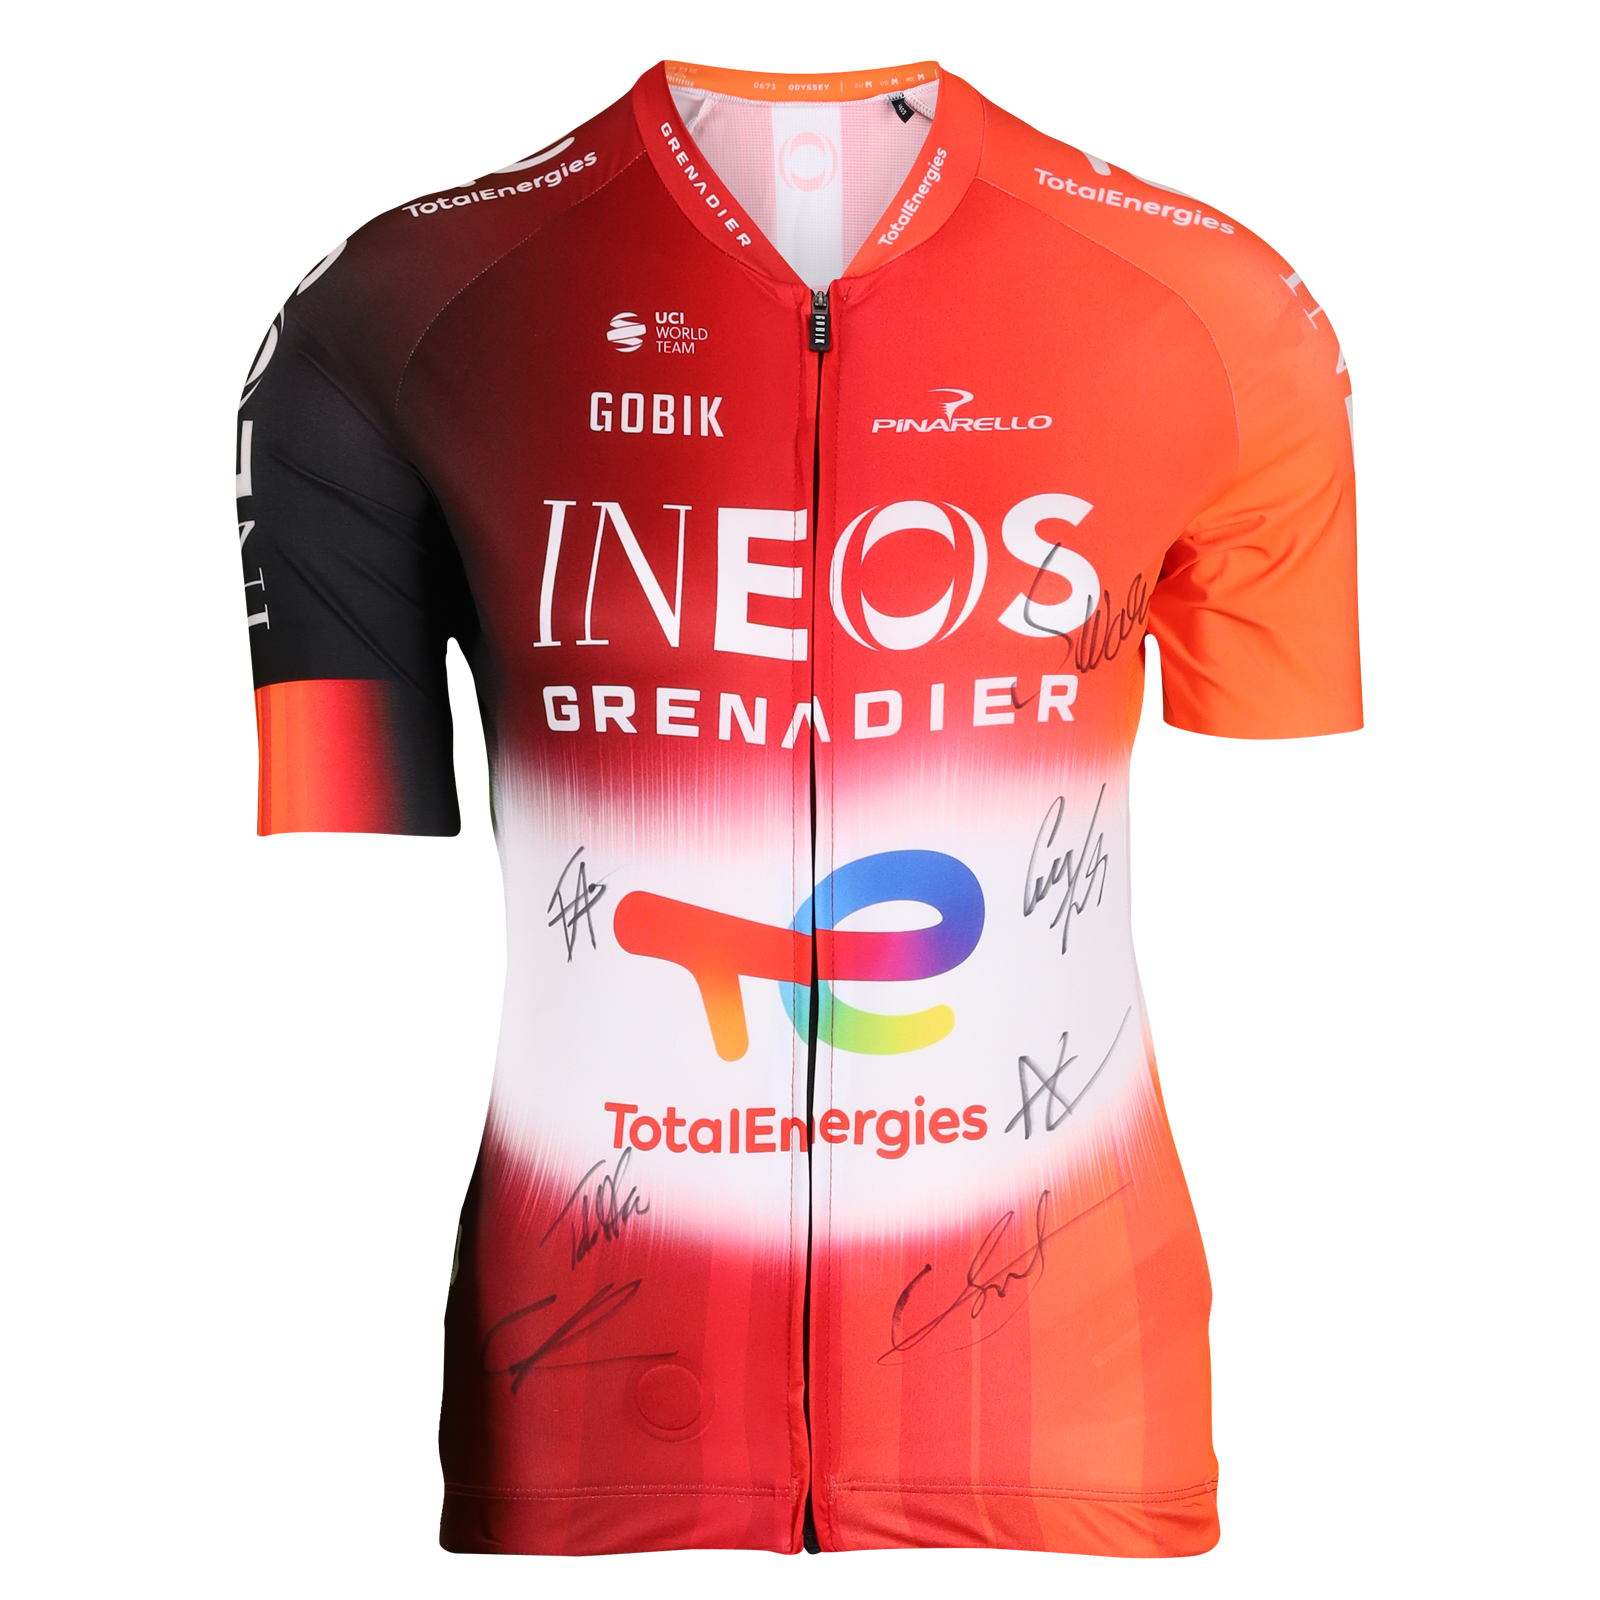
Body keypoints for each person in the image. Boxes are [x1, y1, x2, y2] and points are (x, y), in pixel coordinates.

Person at [235, 57, 1362, 1558]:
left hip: (1070, 1463)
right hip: (591, 1465)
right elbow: (343, 1045)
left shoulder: (1207, 312)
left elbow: (1314, 1029)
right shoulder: (398, 316)